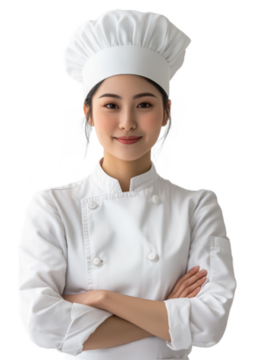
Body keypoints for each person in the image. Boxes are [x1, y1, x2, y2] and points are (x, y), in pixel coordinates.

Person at [16, 8, 238, 359]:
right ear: (88, 112)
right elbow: (41, 324)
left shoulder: (197, 205)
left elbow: (212, 323)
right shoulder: (52, 206)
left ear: (166, 112)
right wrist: (166, 311)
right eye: (111, 105)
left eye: (144, 104)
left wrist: (104, 299)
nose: (127, 122)